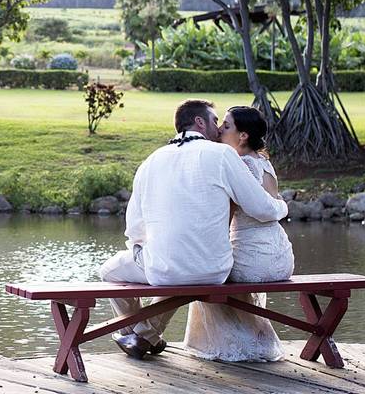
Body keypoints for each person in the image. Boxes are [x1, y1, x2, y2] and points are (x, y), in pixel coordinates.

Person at [98, 99, 288, 359]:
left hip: (169, 268)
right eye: (214, 121)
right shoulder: (223, 155)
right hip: (215, 268)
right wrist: (282, 207)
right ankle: (142, 334)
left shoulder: (152, 161)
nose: (219, 128)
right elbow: (261, 207)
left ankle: (134, 332)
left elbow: (135, 226)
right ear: (200, 122)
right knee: (175, 267)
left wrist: (143, 250)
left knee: (110, 271)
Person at [183, 106, 295, 362]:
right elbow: (271, 203)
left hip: (254, 261)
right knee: (219, 267)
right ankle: (252, 335)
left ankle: (233, 342)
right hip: (281, 258)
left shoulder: (240, 164)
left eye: (227, 125)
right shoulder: (264, 162)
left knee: (206, 273)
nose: (220, 129)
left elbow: (226, 216)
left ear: (242, 136)